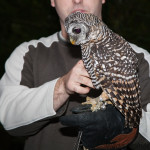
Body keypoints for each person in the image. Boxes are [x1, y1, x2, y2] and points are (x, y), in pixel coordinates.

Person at [0, 0, 150, 149]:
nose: (77, 0)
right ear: (52, 1)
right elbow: (8, 119)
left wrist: (126, 126)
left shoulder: (139, 57)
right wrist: (60, 88)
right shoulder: (29, 53)